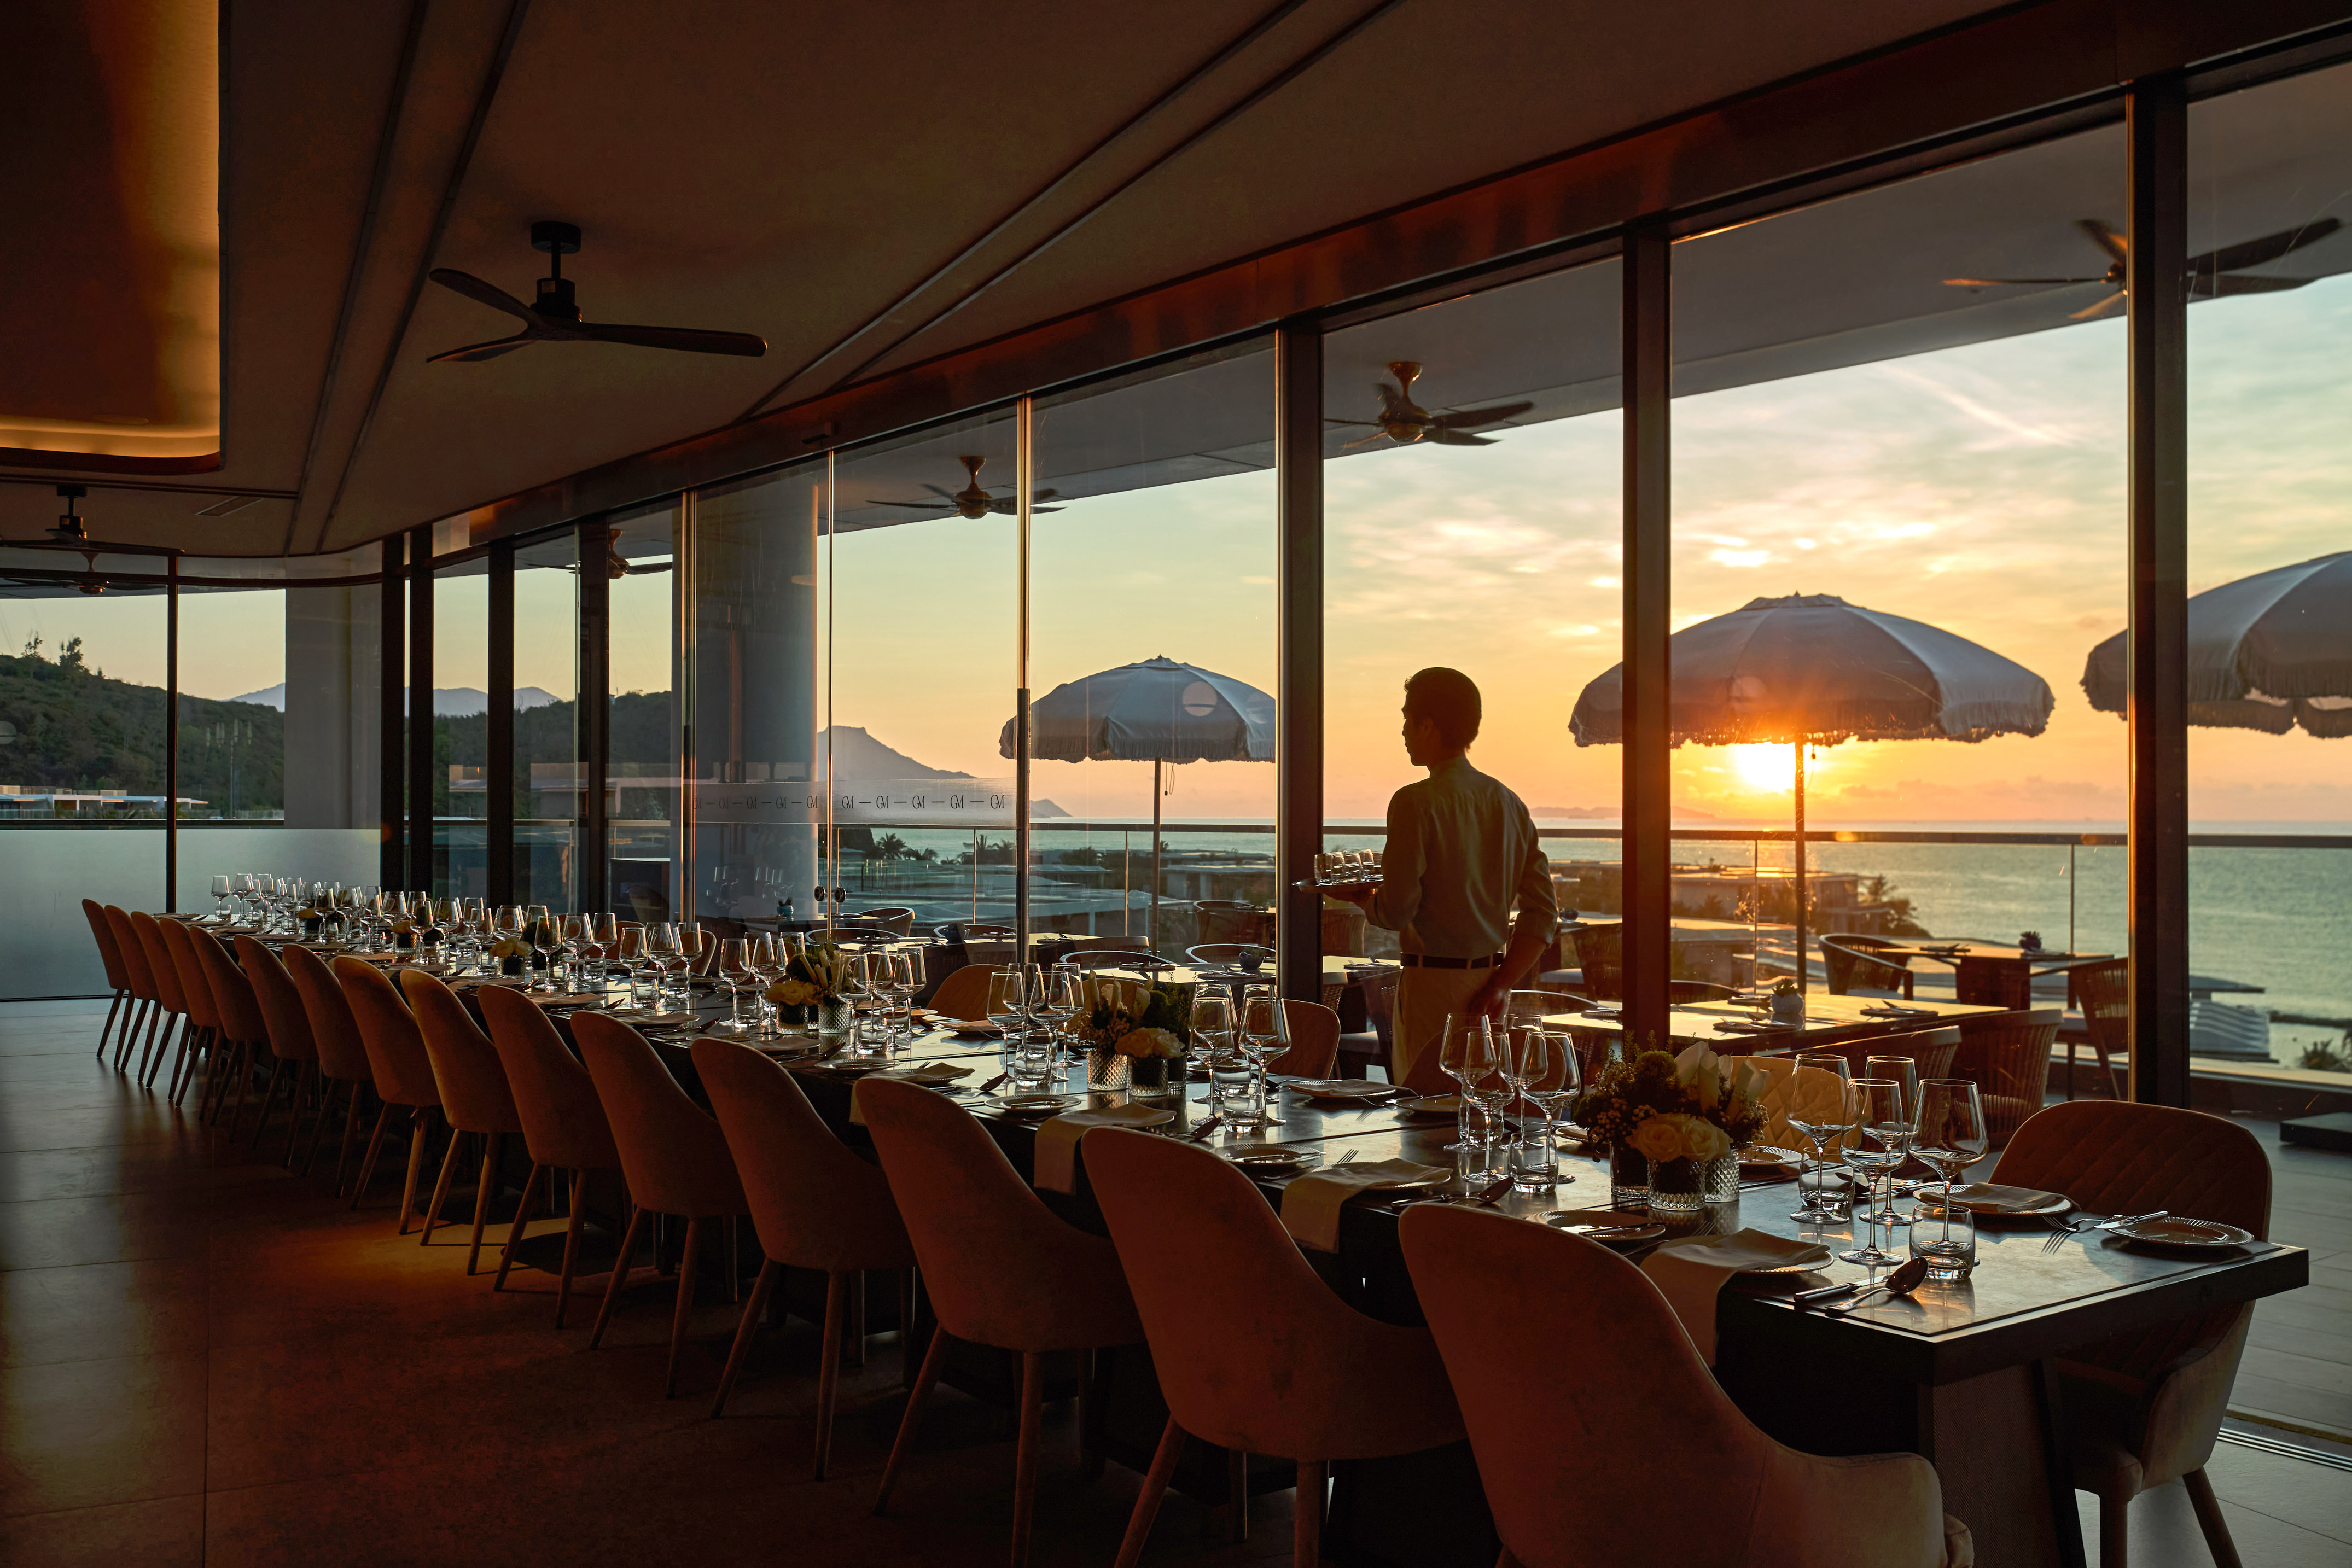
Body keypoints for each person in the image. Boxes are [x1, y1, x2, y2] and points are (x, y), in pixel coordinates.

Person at [1329, 668, 1557, 1085]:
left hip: (1431, 988)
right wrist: (1502, 984)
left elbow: (1397, 911)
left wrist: (1362, 898)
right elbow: (1543, 914)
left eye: (1406, 719)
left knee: (1421, 1119)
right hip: (1488, 990)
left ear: (1428, 724)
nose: (1402, 732)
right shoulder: (1510, 805)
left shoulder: (1414, 803)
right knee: (1478, 1114)